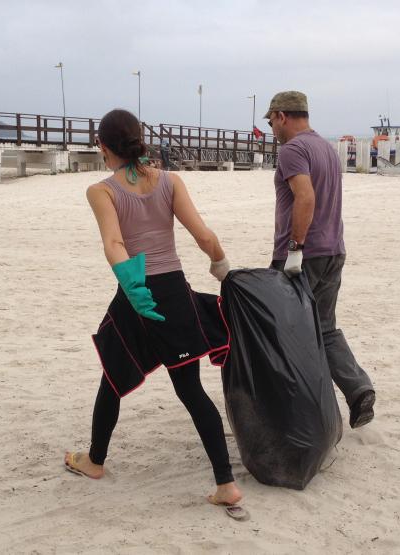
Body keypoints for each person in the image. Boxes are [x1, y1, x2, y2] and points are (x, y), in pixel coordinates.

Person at [64, 109, 244, 513]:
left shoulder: (102, 190)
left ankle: (94, 461)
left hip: (137, 291)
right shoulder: (170, 181)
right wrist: (222, 268)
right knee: (191, 389)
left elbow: (113, 243)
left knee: (113, 375)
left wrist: (134, 286)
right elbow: (204, 235)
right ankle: (226, 485)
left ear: (104, 147)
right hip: (175, 294)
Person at [264, 91, 377, 429]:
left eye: (271, 121)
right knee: (323, 327)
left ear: (283, 116)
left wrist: (295, 248)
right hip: (333, 251)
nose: (271, 128)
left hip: (304, 255)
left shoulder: (293, 150)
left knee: (281, 332)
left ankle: (295, 408)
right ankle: (358, 389)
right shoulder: (325, 148)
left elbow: (306, 198)